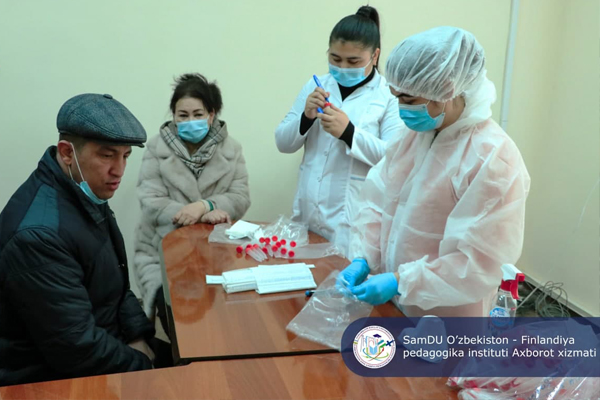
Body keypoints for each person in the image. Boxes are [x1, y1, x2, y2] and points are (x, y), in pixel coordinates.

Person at [341, 27, 531, 317]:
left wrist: (402, 281)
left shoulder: (493, 157)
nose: (401, 108)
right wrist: (363, 257)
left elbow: (481, 263)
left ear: (447, 89)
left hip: (451, 316)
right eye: (397, 97)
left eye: (409, 100)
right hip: (397, 306)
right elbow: (377, 202)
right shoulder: (412, 138)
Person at [0, 94, 159, 386]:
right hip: (48, 381)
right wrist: (144, 364)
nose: (119, 170)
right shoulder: (38, 235)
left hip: (103, 345)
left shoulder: (83, 191)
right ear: (67, 153)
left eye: (125, 156)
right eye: (107, 155)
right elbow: (75, 348)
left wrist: (139, 335)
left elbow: (116, 281)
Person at [275, 5, 402, 257]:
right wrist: (305, 118)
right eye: (335, 59)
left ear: (375, 55)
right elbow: (283, 142)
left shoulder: (388, 95)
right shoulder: (316, 86)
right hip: (307, 217)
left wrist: (349, 133)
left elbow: (395, 158)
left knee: (342, 277)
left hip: (352, 223)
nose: (342, 67)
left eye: (353, 61)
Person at [134, 73, 250, 318]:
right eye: (183, 115)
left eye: (198, 114)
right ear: (174, 116)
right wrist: (201, 214)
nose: (190, 121)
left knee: (223, 322)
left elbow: (240, 197)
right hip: (163, 253)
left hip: (217, 254)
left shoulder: (232, 149)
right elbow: (151, 200)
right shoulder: (156, 147)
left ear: (211, 114)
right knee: (177, 321)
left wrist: (206, 205)